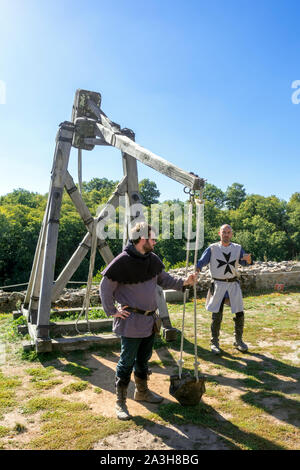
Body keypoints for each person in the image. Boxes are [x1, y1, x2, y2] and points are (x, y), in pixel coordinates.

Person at [100, 222, 198, 420]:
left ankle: (142, 392)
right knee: (126, 362)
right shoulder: (122, 261)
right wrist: (112, 311)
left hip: (149, 321)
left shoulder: (152, 259)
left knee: (143, 360)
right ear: (142, 239)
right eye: (152, 238)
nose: (155, 242)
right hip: (131, 322)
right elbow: (104, 287)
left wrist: (184, 282)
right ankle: (120, 402)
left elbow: (166, 279)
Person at [196, 224, 252, 355]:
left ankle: (238, 341)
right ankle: (214, 342)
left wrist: (248, 260)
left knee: (239, 313)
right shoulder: (213, 248)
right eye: (224, 232)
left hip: (233, 284)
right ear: (219, 233)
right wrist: (196, 270)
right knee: (217, 314)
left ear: (231, 234)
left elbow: (244, 262)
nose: (226, 234)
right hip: (219, 284)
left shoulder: (238, 248)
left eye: (228, 232)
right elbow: (201, 262)